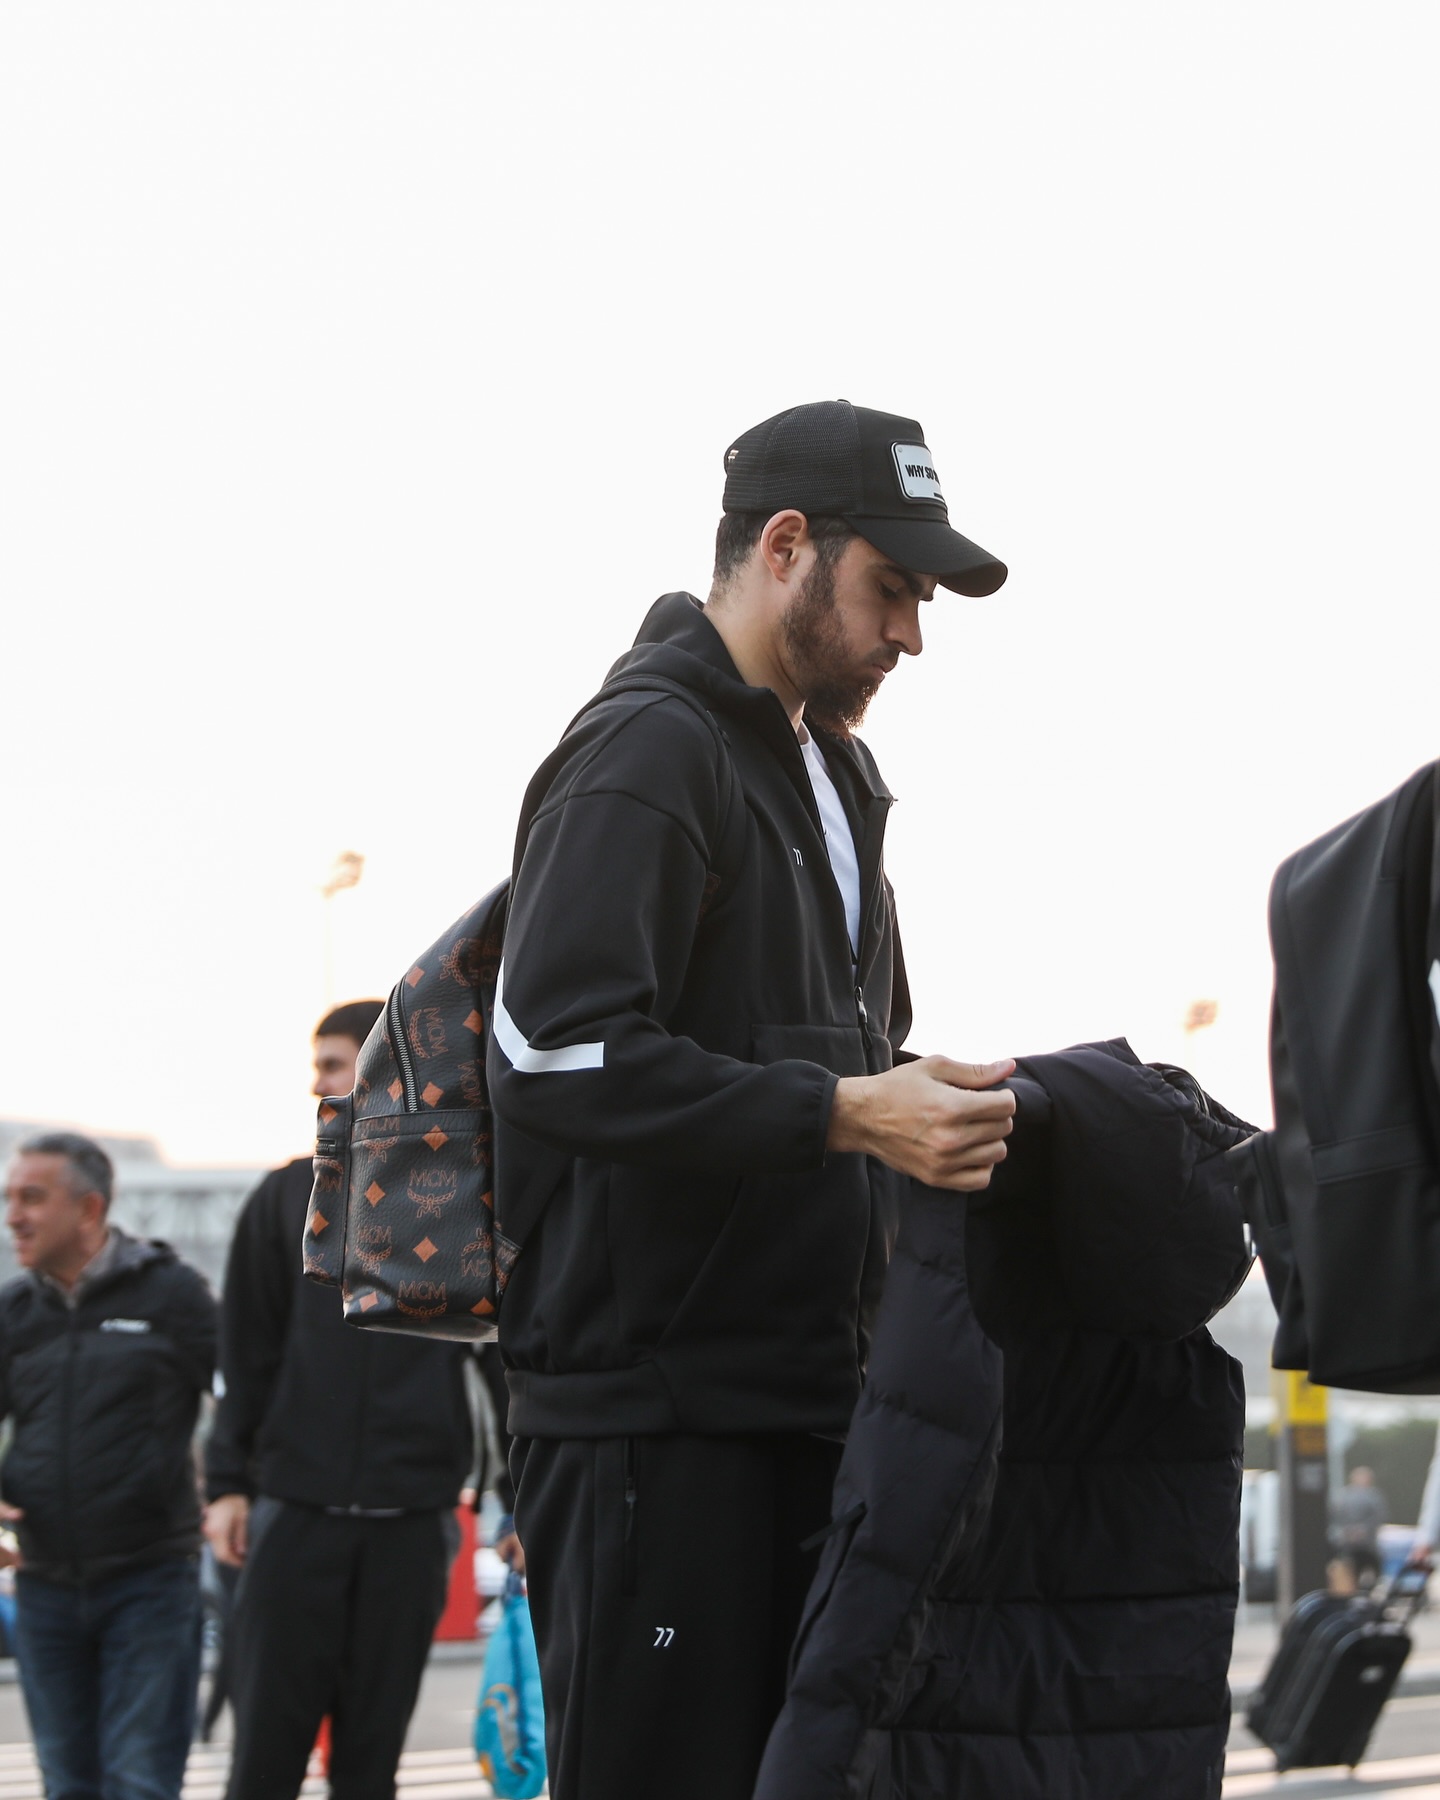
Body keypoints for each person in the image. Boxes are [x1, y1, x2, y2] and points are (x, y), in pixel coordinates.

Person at [487, 399, 1016, 1800]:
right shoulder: (646, 748)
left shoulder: (834, 772)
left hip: (811, 1408)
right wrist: (845, 1112)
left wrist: (933, 1109)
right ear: (786, 546)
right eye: (892, 588)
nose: (911, 634)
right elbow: (548, 1051)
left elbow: (858, 1056)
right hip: (656, 1433)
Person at [204, 1001, 478, 1800]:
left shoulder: (454, 1192)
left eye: (331, 1065)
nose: (316, 1084)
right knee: (264, 1763)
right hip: (295, 1515)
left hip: (412, 1520)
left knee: (370, 1767)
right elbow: (245, 1353)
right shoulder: (284, 1196)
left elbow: (503, 1359)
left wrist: (526, 1502)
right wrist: (227, 1484)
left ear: (380, 1067)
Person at [0, 1131, 217, 1800]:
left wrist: (234, 1491)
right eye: (10, 1199)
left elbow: (242, 1398)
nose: (13, 1216)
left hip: (150, 1583)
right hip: (43, 1585)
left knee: (139, 1782)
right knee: (67, 1785)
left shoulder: (172, 1293)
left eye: (32, 1198)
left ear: (89, 1209)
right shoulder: (14, 1311)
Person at [1329, 1465, 1388, 1588]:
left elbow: (1379, 1517)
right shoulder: (1342, 1496)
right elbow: (1335, 1517)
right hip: (1348, 1545)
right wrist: (1348, 1532)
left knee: (1373, 1570)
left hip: (1367, 1545)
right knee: (1349, 1570)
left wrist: (1363, 1530)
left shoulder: (1374, 1496)